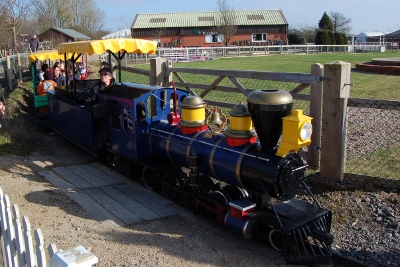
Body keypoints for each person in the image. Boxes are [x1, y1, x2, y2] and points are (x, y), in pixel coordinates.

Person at [85, 67, 115, 151]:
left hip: (114, 112)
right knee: (104, 125)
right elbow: (88, 102)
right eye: (101, 74)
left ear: (110, 76)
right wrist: (95, 110)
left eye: (105, 74)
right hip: (101, 115)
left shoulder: (116, 87)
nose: (103, 76)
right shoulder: (95, 88)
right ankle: (99, 148)